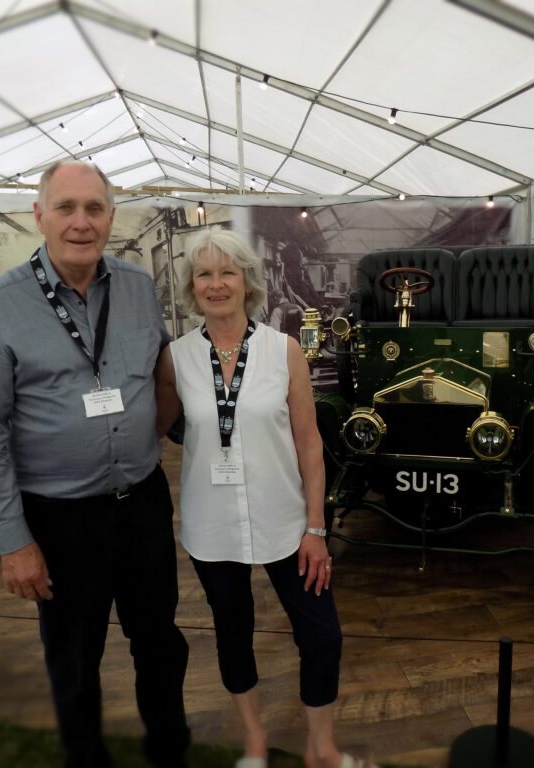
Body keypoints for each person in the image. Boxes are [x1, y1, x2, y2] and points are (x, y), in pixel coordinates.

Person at [0, 159, 190, 768]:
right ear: (40, 215)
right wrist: (14, 543)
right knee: (73, 660)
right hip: (59, 521)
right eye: (66, 207)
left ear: (112, 217)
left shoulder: (139, 287)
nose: (81, 222)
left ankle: (170, 754)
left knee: (161, 646)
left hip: (141, 505)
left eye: (95, 208)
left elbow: (162, 376)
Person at [156, 229, 367, 768]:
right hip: (212, 525)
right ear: (191, 286)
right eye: (204, 273)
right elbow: (151, 431)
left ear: (249, 281)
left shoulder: (283, 351)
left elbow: (309, 443)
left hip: (286, 521)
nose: (216, 283)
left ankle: (321, 748)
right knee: (233, 634)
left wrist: (316, 526)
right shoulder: (175, 359)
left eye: (227, 272)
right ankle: (253, 743)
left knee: (322, 636)